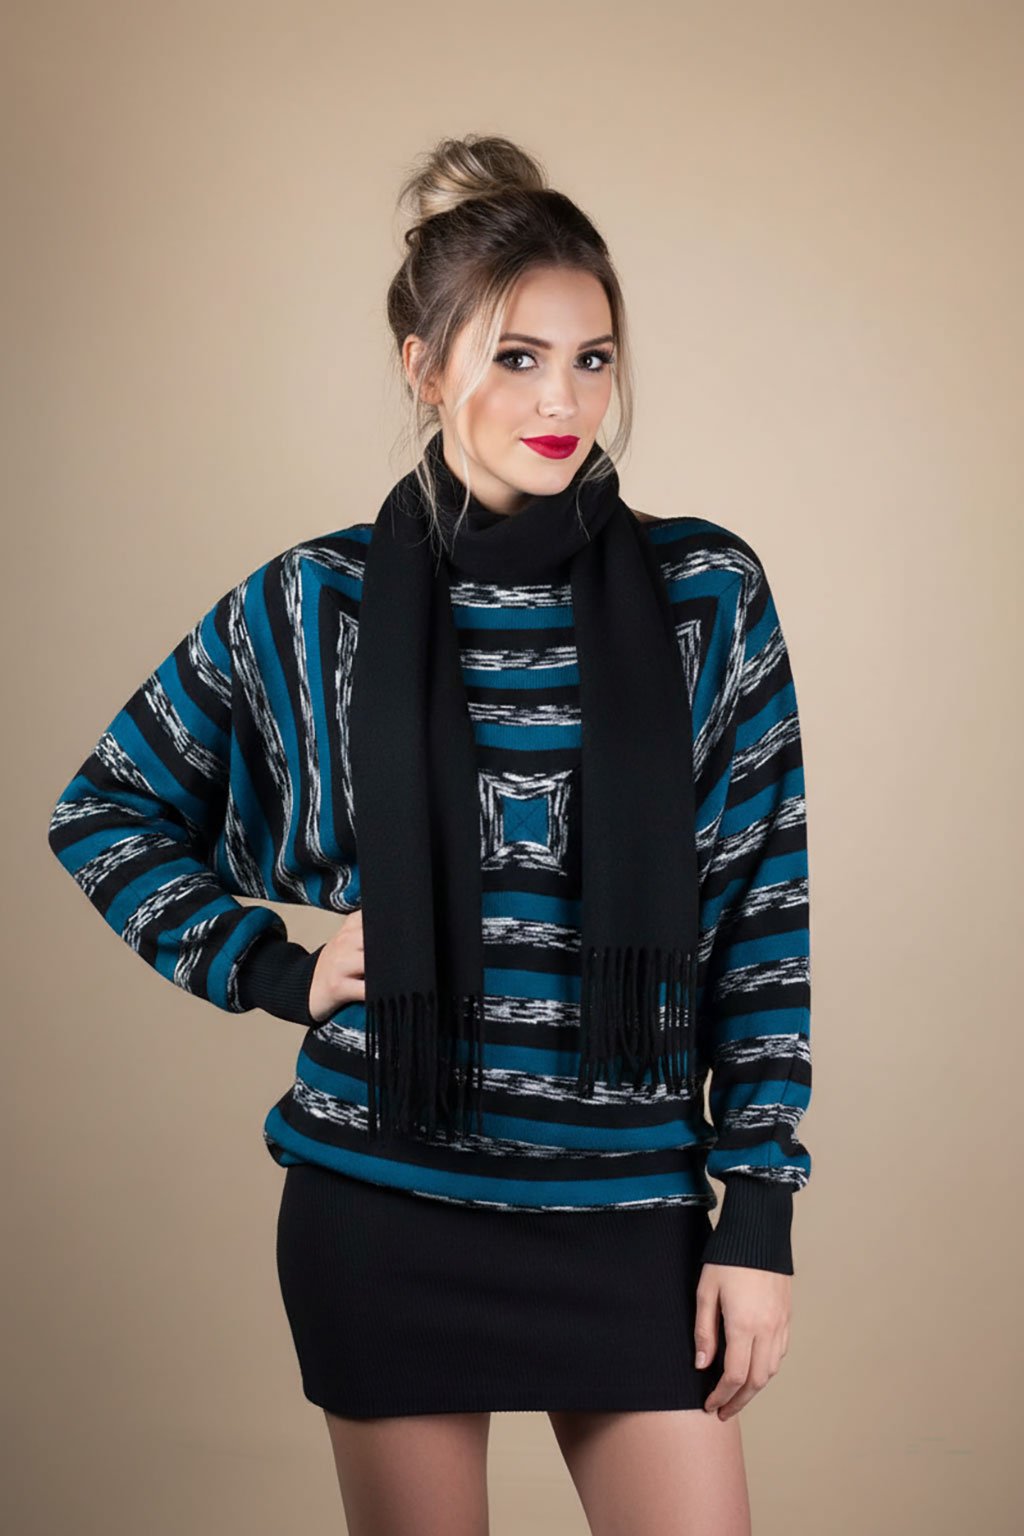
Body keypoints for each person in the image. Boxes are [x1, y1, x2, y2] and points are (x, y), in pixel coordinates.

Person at [47, 133, 812, 1536]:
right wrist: (277, 970)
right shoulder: (316, 603)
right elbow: (105, 809)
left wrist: (755, 1216)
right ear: (422, 364)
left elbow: (763, 914)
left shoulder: (707, 594)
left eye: (592, 358)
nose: (563, 399)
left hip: (629, 1211)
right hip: (385, 1203)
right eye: (517, 357)